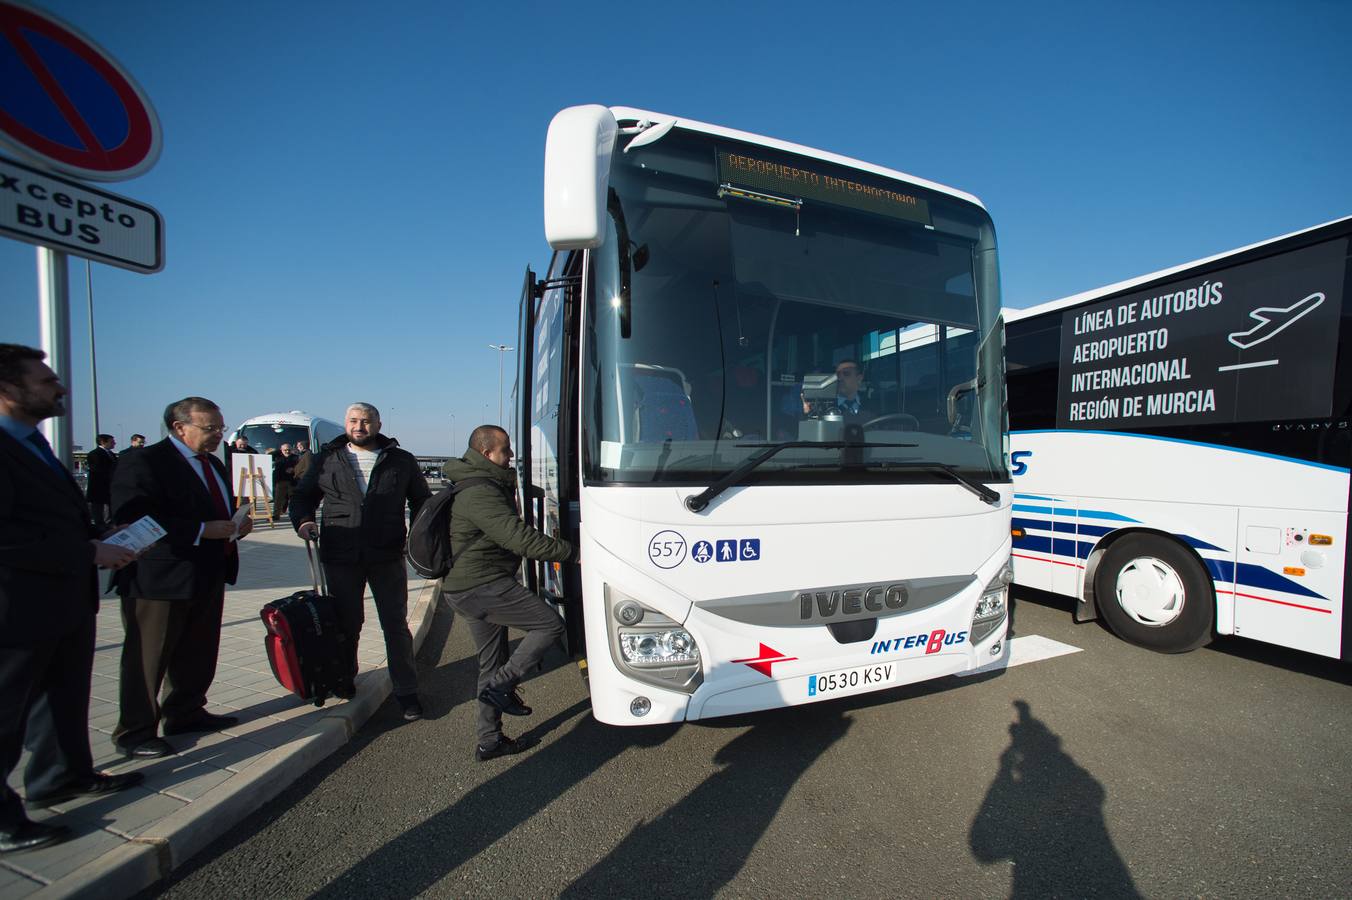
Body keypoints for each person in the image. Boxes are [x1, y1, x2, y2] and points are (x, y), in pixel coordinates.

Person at [0, 344, 142, 854]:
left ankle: (62, 776)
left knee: (61, 699)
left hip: (61, 603)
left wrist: (105, 533)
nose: (60, 389)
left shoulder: (31, 443)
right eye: (45, 381)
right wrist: (88, 550)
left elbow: (45, 518)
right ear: (8, 389)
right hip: (15, 609)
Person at [109, 397, 253, 759]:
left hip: (207, 573)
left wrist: (237, 525)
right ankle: (136, 731)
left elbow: (217, 510)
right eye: (210, 429)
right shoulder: (144, 462)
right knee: (149, 656)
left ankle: (185, 713)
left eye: (221, 427)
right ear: (179, 427)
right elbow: (135, 517)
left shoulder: (214, 464)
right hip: (159, 578)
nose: (219, 435)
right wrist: (202, 530)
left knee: (198, 650)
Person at [441, 425, 575, 761]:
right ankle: (502, 688)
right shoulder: (479, 491)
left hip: (469, 586)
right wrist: (573, 553)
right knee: (549, 625)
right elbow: (518, 538)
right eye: (506, 450)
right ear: (487, 454)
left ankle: (490, 741)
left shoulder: (479, 481)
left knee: (492, 663)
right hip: (481, 585)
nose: (511, 455)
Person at [290, 403, 430, 720]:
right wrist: (303, 521)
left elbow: (422, 502)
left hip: (387, 556)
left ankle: (407, 693)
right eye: (353, 420)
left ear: (378, 424)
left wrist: (420, 540)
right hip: (341, 556)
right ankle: (344, 680)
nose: (360, 426)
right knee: (347, 624)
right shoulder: (326, 457)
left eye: (366, 421)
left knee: (395, 627)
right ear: (345, 423)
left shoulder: (401, 460)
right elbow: (303, 496)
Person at [802, 358, 871, 419]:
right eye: (838, 375)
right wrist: (808, 412)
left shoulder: (873, 405)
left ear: (859, 379)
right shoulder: (823, 407)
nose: (840, 378)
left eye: (846, 373)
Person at [85, 433, 118, 531]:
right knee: (98, 506)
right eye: (111, 442)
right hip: (98, 485)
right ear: (103, 442)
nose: (114, 443)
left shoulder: (111, 454)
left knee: (108, 506)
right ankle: (100, 525)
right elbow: (97, 469)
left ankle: (109, 522)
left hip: (109, 485)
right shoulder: (94, 454)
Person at [270, 443, 298, 524]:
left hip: (292, 482)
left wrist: (293, 469)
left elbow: (300, 467)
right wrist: (279, 451)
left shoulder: (295, 458)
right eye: (285, 450)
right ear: (281, 450)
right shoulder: (278, 457)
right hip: (280, 481)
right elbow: (269, 454)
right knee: (278, 500)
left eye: (289, 450)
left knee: (293, 500)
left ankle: (294, 515)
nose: (287, 451)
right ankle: (276, 515)